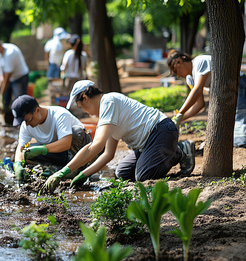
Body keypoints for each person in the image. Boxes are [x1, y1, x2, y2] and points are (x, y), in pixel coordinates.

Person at [44, 80, 196, 192]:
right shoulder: (106, 114)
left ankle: (179, 151)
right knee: (122, 173)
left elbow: (95, 146)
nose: (84, 111)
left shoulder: (109, 101)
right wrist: (84, 175)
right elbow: (108, 154)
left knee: (143, 176)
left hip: (161, 130)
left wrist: (63, 172)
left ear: (85, 97)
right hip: (148, 143)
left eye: (81, 106)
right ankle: (165, 153)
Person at [167, 50, 246, 149]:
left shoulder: (200, 62)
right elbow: (199, 104)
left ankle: (245, 143)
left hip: (238, 84)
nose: (177, 75)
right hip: (223, 92)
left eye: (175, 70)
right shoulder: (190, 79)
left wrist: (180, 113)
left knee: (241, 115)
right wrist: (181, 119)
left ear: (179, 61)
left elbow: (197, 90)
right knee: (223, 117)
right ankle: (235, 143)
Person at [11, 95, 92, 180]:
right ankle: (54, 169)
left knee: (76, 132)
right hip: (59, 153)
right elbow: (20, 148)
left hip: (77, 150)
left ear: (37, 110)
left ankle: (78, 168)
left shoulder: (59, 114)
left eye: (29, 120)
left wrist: (41, 149)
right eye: (24, 121)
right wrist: (18, 165)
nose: (27, 124)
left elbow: (66, 143)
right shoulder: (26, 125)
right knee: (26, 152)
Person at [0, 35, 29, 125]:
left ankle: (22, 123)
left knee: (19, 100)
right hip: (7, 77)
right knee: (6, 100)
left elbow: (7, 79)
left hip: (19, 77)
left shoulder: (10, 53)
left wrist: (0, 95)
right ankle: (8, 120)